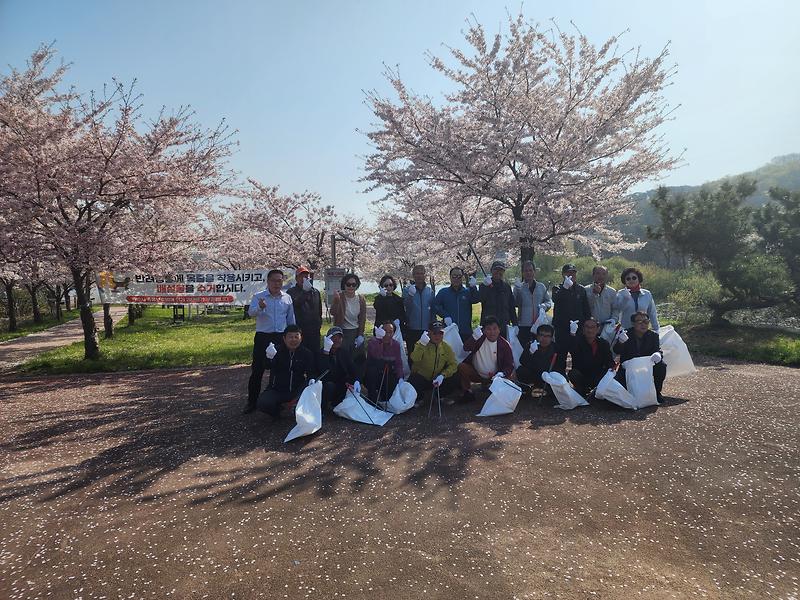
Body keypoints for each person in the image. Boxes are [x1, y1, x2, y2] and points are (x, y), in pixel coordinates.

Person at [244, 269, 296, 414]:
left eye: (280, 280)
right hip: (263, 337)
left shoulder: (287, 298)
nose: (277, 283)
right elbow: (251, 313)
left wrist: (293, 336)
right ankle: (252, 402)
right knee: (257, 370)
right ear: (268, 281)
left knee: (280, 370)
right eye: (274, 280)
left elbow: (291, 319)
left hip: (281, 337)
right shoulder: (259, 296)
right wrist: (260, 308)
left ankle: (279, 400)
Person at [256, 325, 317, 420]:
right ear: (284, 339)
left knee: (310, 394)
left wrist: (311, 381)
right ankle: (278, 411)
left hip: (297, 389)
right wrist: (269, 357)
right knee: (263, 403)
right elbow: (267, 366)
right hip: (277, 389)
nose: (293, 340)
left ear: (301, 338)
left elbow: (311, 373)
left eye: (296, 337)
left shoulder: (307, 353)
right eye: (290, 337)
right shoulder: (276, 350)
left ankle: (297, 408)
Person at [458, 315, 516, 403]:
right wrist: (473, 338)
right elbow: (466, 348)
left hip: (495, 377)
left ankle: (500, 394)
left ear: (499, 329)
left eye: (494, 328)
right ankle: (468, 392)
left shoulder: (505, 345)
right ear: (484, 330)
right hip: (476, 374)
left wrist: (502, 373)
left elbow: (509, 365)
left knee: (511, 375)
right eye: (488, 329)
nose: (492, 332)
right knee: (462, 366)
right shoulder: (479, 339)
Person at [613, 311, 667, 402]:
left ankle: (657, 393)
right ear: (633, 323)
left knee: (661, 365)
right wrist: (620, 342)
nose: (643, 325)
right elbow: (616, 350)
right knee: (622, 395)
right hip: (629, 368)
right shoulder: (626, 334)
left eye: (646, 322)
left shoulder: (653, 335)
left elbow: (657, 350)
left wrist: (658, 354)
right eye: (639, 322)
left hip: (646, 366)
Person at [407, 320, 459, 404]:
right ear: (429, 333)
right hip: (422, 378)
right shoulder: (421, 343)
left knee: (455, 376)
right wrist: (422, 344)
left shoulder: (446, 347)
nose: (437, 336)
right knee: (413, 380)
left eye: (440, 333)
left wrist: (443, 375)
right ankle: (419, 398)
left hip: (437, 379)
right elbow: (414, 358)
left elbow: (453, 364)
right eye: (434, 333)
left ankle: (440, 396)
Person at [551, 263, 591, 370]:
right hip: (562, 328)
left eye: (573, 273)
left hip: (577, 328)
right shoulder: (557, 288)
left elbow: (586, 309)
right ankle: (560, 379)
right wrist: (565, 288)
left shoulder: (581, 289)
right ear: (563, 274)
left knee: (577, 356)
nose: (571, 275)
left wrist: (586, 325)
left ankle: (577, 381)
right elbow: (556, 299)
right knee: (561, 357)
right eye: (568, 273)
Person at [567, 317, 615, 397]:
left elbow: (609, 361)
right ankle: (582, 390)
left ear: (598, 329)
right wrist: (572, 334)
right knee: (573, 373)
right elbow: (571, 348)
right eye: (587, 327)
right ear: (583, 328)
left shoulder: (604, 343)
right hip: (582, 374)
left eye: (592, 327)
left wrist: (612, 368)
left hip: (597, 375)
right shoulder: (578, 341)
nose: (589, 330)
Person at [433, 267, 480, 341]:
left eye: (459, 276)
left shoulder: (467, 292)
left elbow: (476, 300)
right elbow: (435, 306)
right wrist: (445, 315)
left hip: (465, 331)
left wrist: (473, 288)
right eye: (454, 276)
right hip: (449, 330)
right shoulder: (443, 292)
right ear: (450, 277)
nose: (456, 279)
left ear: (462, 278)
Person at [513, 260, 552, 349]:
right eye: (526, 271)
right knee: (525, 350)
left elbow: (548, 302)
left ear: (534, 272)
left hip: (538, 324)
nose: (528, 273)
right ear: (522, 273)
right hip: (523, 325)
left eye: (530, 270)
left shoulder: (541, 286)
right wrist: (517, 291)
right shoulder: (519, 287)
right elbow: (514, 304)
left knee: (538, 350)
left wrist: (544, 306)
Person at [317, 326, 357, 410]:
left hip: (341, 384)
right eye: (333, 337)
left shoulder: (344, 352)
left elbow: (352, 369)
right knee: (329, 386)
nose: (336, 340)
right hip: (327, 384)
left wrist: (352, 381)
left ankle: (336, 404)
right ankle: (323, 407)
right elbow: (323, 372)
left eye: (339, 337)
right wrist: (326, 353)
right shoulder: (321, 353)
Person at [364, 321, 405, 403]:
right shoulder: (373, 342)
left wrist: (400, 378)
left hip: (388, 374)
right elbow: (377, 356)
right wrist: (380, 341)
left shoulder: (396, 345)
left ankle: (383, 394)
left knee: (388, 398)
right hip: (374, 375)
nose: (388, 334)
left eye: (391, 332)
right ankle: (372, 397)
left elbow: (398, 363)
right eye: (385, 331)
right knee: (372, 371)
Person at [516, 323, 559, 400]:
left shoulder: (556, 348)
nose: (544, 338)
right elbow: (522, 361)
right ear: (537, 336)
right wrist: (530, 352)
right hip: (534, 373)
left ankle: (549, 392)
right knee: (521, 370)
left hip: (549, 375)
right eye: (541, 335)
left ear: (551, 338)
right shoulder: (531, 345)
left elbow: (560, 366)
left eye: (547, 336)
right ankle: (527, 391)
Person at [330, 273, 367, 357]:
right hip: (342, 332)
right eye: (348, 284)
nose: (351, 287)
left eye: (353, 285)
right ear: (344, 285)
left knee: (357, 358)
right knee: (343, 357)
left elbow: (362, 318)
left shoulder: (361, 299)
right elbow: (333, 312)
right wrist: (336, 301)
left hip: (356, 331)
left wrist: (360, 334)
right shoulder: (340, 296)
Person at [286, 266, 322, 353]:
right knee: (301, 354)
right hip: (300, 330)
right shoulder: (291, 292)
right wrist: (305, 292)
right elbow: (295, 304)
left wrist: (319, 324)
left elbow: (319, 310)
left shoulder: (315, 292)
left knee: (315, 353)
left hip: (314, 330)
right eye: (301, 276)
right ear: (296, 278)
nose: (304, 279)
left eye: (306, 277)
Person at [478, 261, 517, 338]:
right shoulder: (484, 285)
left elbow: (511, 307)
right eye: (496, 269)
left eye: (501, 270)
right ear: (491, 270)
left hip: (503, 326)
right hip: (488, 327)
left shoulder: (507, 287)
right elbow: (479, 299)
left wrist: (515, 324)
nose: (498, 272)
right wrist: (486, 287)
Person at [614, 267, 660, 332]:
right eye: (628, 278)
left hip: (643, 330)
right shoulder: (620, 294)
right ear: (625, 281)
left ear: (639, 279)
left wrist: (656, 329)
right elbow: (618, 310)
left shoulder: (647, 294)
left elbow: (652, 313)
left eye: (634, 278)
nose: (631, 280)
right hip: (626, 331)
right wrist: (625, 299)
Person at [403, 264, 434, 355]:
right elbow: (405, 306)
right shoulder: (407, 290)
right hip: (412, 328)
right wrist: (410, 296)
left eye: (421, 273)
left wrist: (432, 325)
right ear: (413, 275)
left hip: (426, 328)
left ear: (425, 275)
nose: (419, 276)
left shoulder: (430, 291)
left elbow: (433, 309)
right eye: (417, 273)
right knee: (412, 354)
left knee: (426, 355)